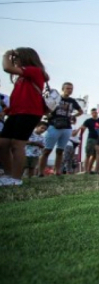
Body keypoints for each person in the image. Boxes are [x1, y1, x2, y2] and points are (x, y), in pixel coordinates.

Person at [0, 48, 49, 185]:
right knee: (3, 144)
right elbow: (18, 96)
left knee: (17, 144)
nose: (15, 60)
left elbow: (6, 68)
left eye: (17, 58)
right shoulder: (22, 77)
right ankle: (8, 175)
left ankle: (16, 178)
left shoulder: (34, 70)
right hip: (16, 112)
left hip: (29, 112)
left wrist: (6, 55)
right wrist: (8, 110)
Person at [38, 82, 83, 177]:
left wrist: (72, 116)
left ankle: (57, 171)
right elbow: (45, 107)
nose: (69, 90)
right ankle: (40, 172)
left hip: (66, 126)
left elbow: (80, 111)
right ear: (63, 89)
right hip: (54, 125)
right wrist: (48, 115)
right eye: (67, 88)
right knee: (47, 150)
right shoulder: (56, 98)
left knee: (60, 150)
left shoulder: (72, 101)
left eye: (71, 89)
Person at [73, 108, 99, 174]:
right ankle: (86, 170)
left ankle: (89, 169)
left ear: (97, 113)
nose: (94, 114)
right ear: (91, 114)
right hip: (91, 139)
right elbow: (83, 128)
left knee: (95, 155)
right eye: (93, 113)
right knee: (88, 154)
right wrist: (80, 137)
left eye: (95, 112)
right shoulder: (88, 121)